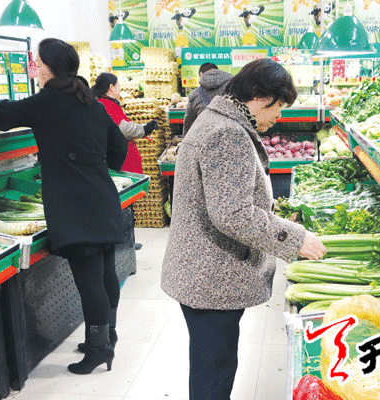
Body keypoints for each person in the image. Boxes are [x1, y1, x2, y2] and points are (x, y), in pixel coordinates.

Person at [161, 58, 326, 400]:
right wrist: (294, 239)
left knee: (211, 364)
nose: (278, 115)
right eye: (278, 106)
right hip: (209, 277)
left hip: (201, 271)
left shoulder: (217, 119)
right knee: (214, 373)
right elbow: (233, 213)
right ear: (258, 96)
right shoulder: (228, 133)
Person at [0, 38, 128, 375]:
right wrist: (95, 169)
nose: (35, 69)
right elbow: (119, 145)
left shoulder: (47, 102)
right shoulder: (91, 102)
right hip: (103, 197)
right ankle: (106, 336)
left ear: (48, 68)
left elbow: (3, 113)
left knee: (89, 281)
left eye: (37, 63)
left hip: (75, 206)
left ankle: (98, 349)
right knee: (106, 273)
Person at [92, 72, 158, 251]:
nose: (120, 90)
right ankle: (124, 243)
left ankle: (128, 240)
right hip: (119, 161)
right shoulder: (105, 105)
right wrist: (144, 128)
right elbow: (123, 129)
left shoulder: (107, 104)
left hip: (121, 158)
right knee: (123, 201)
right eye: (118, 86)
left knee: (127, 202)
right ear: (111, 88)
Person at [182, 62, 233, 136]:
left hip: (205, 137)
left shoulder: (195, 94)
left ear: (201, 74)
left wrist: (185, 138)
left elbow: (188, 122)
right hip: (230, 134)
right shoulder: (232, 89)